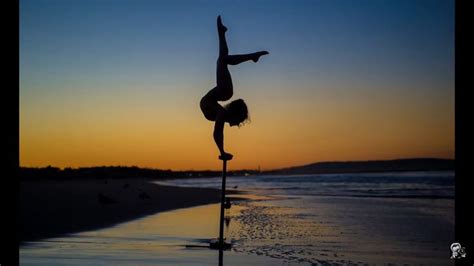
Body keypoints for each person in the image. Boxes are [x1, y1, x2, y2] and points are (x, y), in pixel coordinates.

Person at [200, 15, 268, 161]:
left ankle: (222, 33)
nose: (236, 125)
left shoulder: (221, 113)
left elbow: (218, 131)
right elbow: (217, 132)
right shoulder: (222, 113)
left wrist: (222, 151)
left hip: (219, 94)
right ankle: (251, 56)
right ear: (234, 113)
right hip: (222, 93)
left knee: (222, 59)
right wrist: (222, 151)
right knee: (222, 60)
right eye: (239, 121)